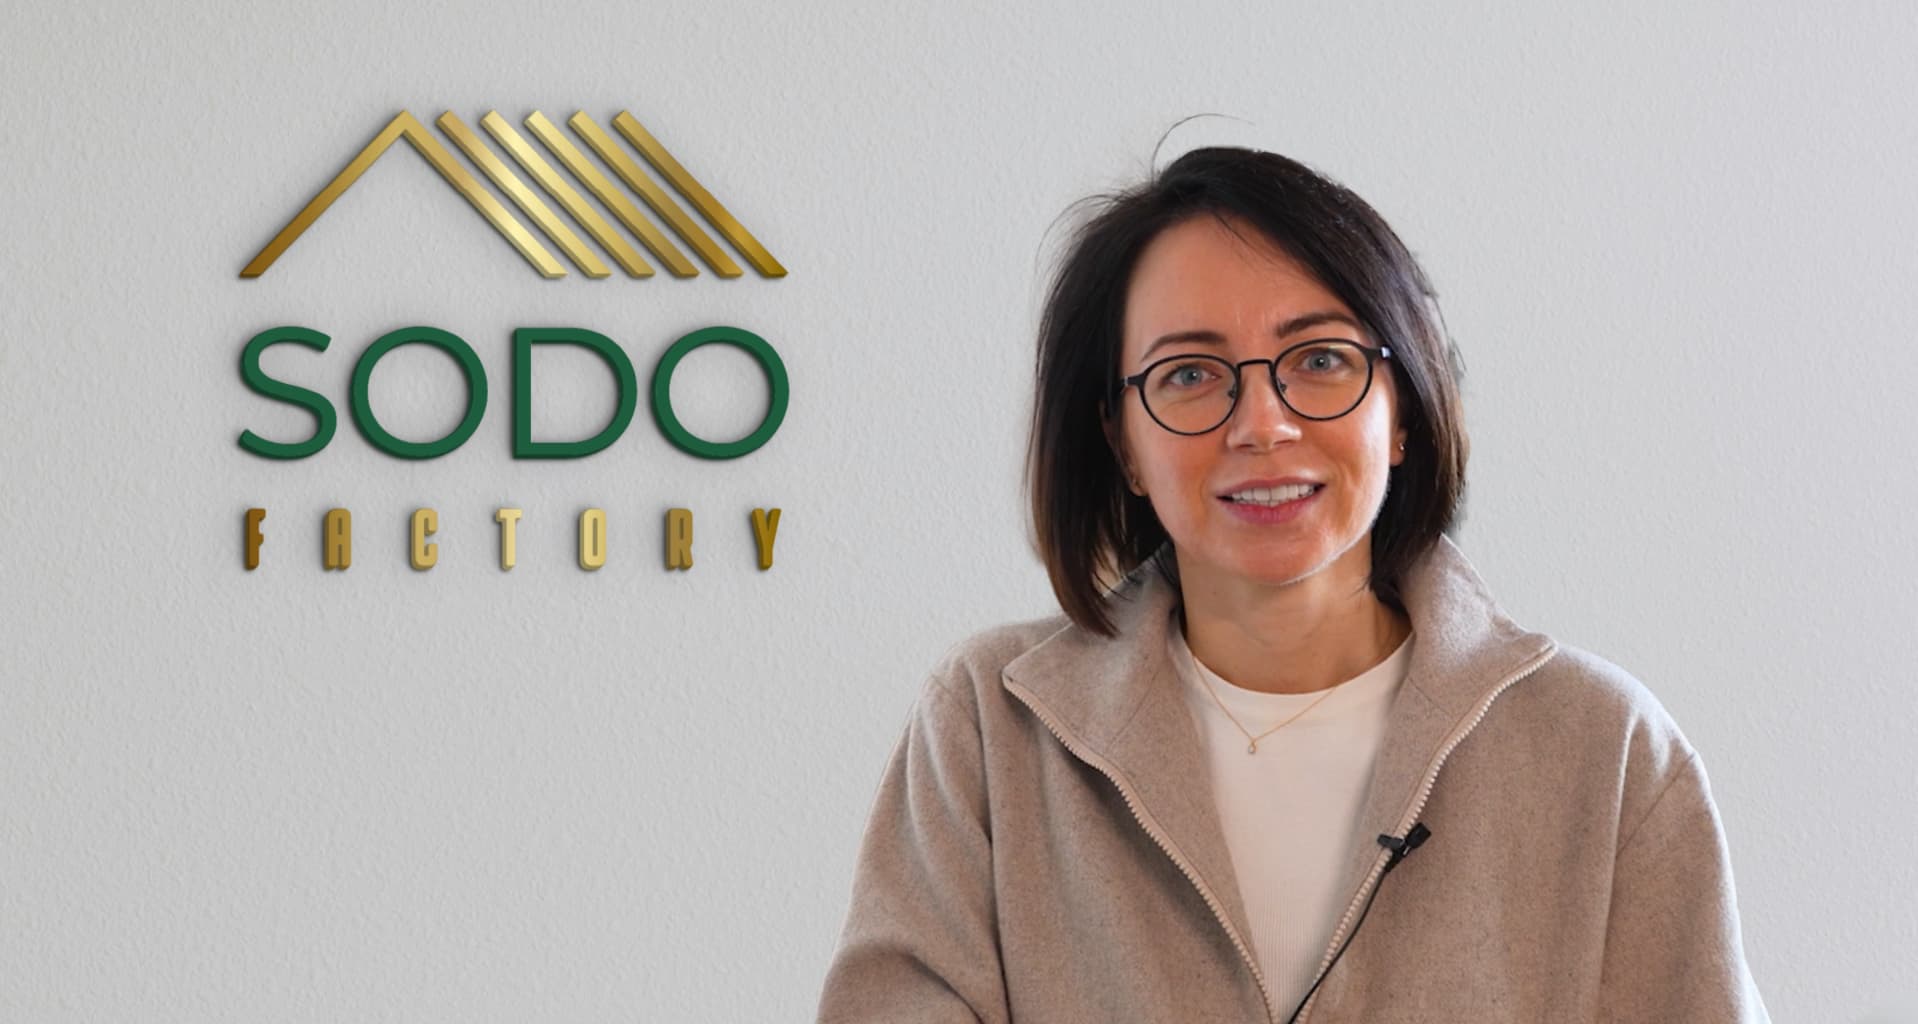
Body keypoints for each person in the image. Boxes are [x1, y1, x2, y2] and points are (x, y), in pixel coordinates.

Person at [814, 146, 1770, 1023]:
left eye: (1320, 360)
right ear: (1123, 443)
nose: (1262, 424)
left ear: (1403, 411)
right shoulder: (990, 727)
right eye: (1190, 374)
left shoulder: (1603, 748)